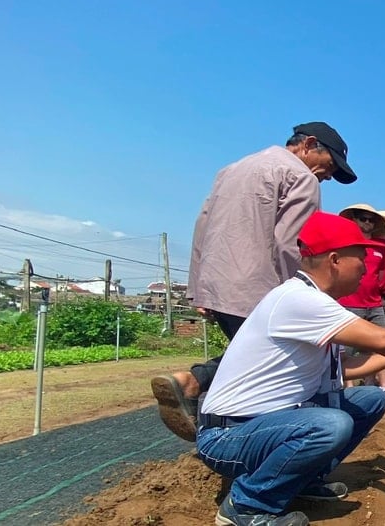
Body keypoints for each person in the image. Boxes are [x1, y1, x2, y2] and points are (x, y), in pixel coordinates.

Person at [195, 212, 385, 526]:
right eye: (361, 258)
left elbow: (347, 368)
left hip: (267, 426)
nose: (368, 268)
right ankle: (246, 505)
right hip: (228, 437)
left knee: (370, 399)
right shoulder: (299, 299)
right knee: (329, 425)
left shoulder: (315, 302)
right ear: (335, 260)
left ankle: (300, 479)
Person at [151, 122, 357, 442]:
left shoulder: (231, 170)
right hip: (258, 289)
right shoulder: (300, 177)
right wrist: (307, 297)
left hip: (218, 283)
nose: (328, 176)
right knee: (282, 370)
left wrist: (198, 288)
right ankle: (249, 450)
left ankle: (201, 394)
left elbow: (202, 226)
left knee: (247, 358)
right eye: (330, 165)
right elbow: (293, 244)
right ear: (309, 144)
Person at [335, 204, 385, 392]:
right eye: (363, 218)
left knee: (378, 346)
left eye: (371, 220)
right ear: (354, 219)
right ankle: (348, 387)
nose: (367, 222)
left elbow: (380, 275)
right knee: (347, 349)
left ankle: (376, 385)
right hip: (350, 303)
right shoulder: (346, 244)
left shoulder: (380, 248)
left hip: (374, 303)